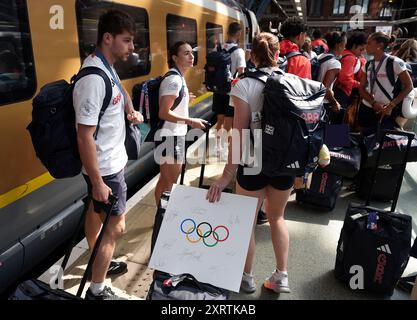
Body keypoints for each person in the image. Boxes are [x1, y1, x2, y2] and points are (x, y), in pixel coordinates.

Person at [207, 32, 294, 294]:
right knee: (277, 217)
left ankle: (246, 278)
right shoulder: (293, 81)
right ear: (278, 54)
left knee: (247, 221)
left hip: (254, 157)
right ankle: (281, 276)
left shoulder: (243, 85)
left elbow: (240, 134)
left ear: (252, 56)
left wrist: (226, 176)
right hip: (283, 160)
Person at [73, 10, 143, 300]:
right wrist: (100, 181)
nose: (132, 48)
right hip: (106, 170)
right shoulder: (93, 79)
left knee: (95, 212)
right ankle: (98, 289)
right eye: (127, 41)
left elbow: (119, 91)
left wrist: (129, 109)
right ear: (107, 38)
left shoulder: (107, 67)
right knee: (116, 229)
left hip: (108, 166)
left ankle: (94, 260)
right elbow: (84, 135)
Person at [154, 41, 208, 206]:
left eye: (192, 52)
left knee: (165, 179)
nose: (192, 56)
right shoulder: (175, 80)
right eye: (186, 53)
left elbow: (171, 107)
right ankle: (164, 217)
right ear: (175, 57)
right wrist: (192, 121)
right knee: (171, 182)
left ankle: (160, 215)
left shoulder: (177, 77)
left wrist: (185, 100)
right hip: (171, 137)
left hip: (171, 135)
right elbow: (163, 112)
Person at [358, 32, 413, 132]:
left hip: (385, 110)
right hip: (367, 106)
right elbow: (361, 88)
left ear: (380, 45)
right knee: (362, 139)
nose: (366, 46)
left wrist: (391, 105)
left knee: (381, 142)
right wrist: (373, 103)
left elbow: (409, 86)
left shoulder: (395, 62)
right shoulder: (367, 65)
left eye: (369, 43)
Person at [212, 22, 246, 159]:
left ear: (227, 33)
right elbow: (241, 72)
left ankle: (217, 147)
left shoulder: (218, 48)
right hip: (230, 92)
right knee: (229, 124)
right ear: (238, 34)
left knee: (219, 121)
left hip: (217, 90)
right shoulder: (239, 51)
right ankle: (225, 151)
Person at [316, 31, 346, 124]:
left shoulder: (320, 56)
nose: (344, 48)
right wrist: (334, 103)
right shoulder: (335, 63)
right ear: (339, 45)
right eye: (344, 45)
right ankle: (335, 138)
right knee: (333, 133)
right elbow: (325, 88)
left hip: (314, 100)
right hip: (324, 104)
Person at [334, 32, 367, 111]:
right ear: (354, 46)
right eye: (361, 49)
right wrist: (360, 85)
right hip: (342, 93)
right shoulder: (350, 58)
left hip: (336, 90)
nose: (362, 52)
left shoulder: (343, 53)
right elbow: (345, 79)